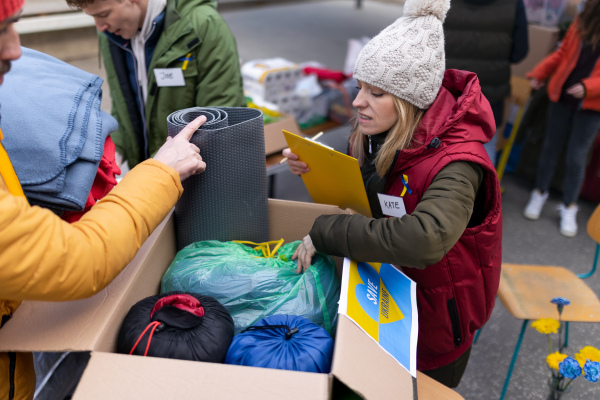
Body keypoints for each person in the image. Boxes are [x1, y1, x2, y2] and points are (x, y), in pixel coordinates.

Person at [283, 0, 502, 388]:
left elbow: (426, 237)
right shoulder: (377, 132)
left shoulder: (459, 162)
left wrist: (327, 232)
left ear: (410, 101)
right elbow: (379, 192)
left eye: (376, 93)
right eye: (359, 87)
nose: (356, 102)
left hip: (434, 327)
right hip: (386, 296)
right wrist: (319, 165)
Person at [0, 1, 208, 397]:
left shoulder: (198, 25)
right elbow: (77, 257)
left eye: (15, 26)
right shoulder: (112, 35)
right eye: (1, 32)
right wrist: (159, 171)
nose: (15, 50)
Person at [66, 0, 246, 169]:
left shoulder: (203, 25)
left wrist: (153, 170)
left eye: (104, 14)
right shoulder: (112, 33)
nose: (100, 26)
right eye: (93, 17)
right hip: (153, 177)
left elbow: (219, 121)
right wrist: (113, 152)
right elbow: (124, 108)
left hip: (194, 181)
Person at [523, 0, 600, 237]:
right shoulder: (581, 21)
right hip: (562, 97)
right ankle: (539, 193)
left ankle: (569, 206)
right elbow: (562, 54)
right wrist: (540, 72)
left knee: (576, 158)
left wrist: (588, 88)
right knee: (550, 148)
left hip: (591, 106)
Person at [444, 0, 529, 166]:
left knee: (439, 145)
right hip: (490, 93)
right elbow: (520, 51)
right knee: (484, 147)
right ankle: (482, 191)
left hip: (449, 88)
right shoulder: (514, 4)